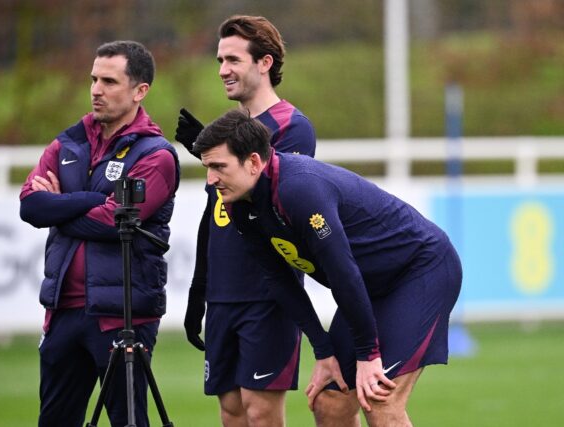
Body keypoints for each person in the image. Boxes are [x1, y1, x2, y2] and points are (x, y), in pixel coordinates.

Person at [193, 109, 462, 427]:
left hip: (420, 271)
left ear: (253, 162)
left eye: (218, 167)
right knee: (330, 401)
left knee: (378, 398)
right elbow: (279, 280)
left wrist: (368, 354)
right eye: (208, 167)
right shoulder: (241, 206)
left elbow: (343, 273)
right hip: (368, 288)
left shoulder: (299, 190)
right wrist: (323, 350)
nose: (211, 179)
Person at [19, 41, 179, 427]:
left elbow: (114, 223)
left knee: (128, 422)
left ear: (140, 91)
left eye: (109, 81)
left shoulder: (155, 155)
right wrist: (90, 199)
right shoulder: (68, 141)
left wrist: (61, 207)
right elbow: (30, 206)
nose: (96, 89)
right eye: (94, 79)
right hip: (62, 312)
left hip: (121, 316)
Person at [175, 15, 317, 427]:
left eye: (233, 59)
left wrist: (225, 158)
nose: (223, 70)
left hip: (267, 292)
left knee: (260, 411)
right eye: (220, 59)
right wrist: (199, 289)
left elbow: (274, 209)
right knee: (232, 412)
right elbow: (214, 215)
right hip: (224, 291)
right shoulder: (228, 133)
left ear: (265, 63)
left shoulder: (292, 128)